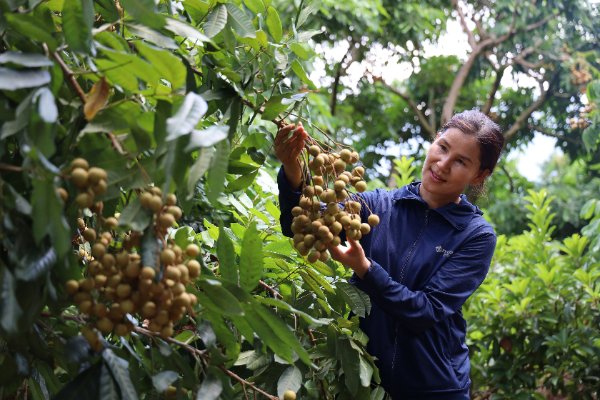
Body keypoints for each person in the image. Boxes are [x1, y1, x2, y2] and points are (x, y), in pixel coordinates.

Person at [274, 110, 505, 399]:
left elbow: (426, 311)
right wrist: (292, 169)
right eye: (443, 147)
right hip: (366, 381)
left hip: (434, 388)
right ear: (434, 141)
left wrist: (366, 269)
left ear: (479, 174)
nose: (442, 165)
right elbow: (300, 226)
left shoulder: (476, 235)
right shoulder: (374, 206)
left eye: (461, 161)